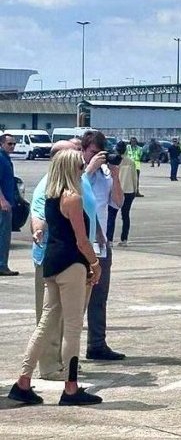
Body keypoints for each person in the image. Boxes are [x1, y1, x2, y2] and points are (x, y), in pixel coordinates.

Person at [7, 148, 103, 406]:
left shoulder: (51, 197)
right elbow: (82, 240)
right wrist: (95, 263)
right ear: (72, 169)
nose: (82, 170)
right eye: (80, 167)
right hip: (72, 264)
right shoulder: (72, 198)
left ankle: (23, 381)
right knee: (72, 327)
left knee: (46, 322)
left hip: (51, 263)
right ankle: (70, 388)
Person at [29, 140, 98, 380]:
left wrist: (99, 236)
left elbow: (91, 212)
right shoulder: (50, 186)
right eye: (75, 151)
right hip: (65, 258)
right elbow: (37, 214)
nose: (80, 155)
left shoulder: (79, 180)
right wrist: (95, 263)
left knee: (61, 317)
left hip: (74, 257)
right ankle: (53, 368)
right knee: (61, 322)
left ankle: (33, 375)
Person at [81, 131, 126, 361]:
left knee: (99, 296)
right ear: (83, 151)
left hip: (101, 244)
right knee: (75, 299)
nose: (96, 157)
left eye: (100, 153)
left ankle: (96, 344)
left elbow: (117, 202)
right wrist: (89, 169)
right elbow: (74, 192)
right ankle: (64, 350)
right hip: (79, 242)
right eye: (92, 153)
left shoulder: (107, 174)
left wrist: (116, 175)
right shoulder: (77, 170)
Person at [107, 141, 137, 247]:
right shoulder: (131, 162)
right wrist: (135, 189)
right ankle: (124, 239)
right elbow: (134, 177)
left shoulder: (113, 161)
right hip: (129, 190)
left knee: (111, 215)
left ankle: (109, 239)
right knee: (125, 215)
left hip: (116, 190)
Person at [0, 133, 18, 276]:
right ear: (2, 144)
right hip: (3, 205)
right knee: (4, 235)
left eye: (14, 144)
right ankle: (2, 265)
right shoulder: (1, 158)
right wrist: (2, 200)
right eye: (9, 144)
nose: (12, 146)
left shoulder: (6, 158)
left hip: (8, 202)